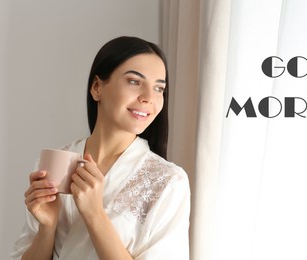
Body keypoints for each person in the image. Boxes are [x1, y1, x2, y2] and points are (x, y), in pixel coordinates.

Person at [10, 36, 190, 260]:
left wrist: (94, 214)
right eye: (134, 81)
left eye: (158, 88)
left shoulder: (169, 181)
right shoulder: (56, 163)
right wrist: (47, 227)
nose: (148, 98)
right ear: (97, 87)